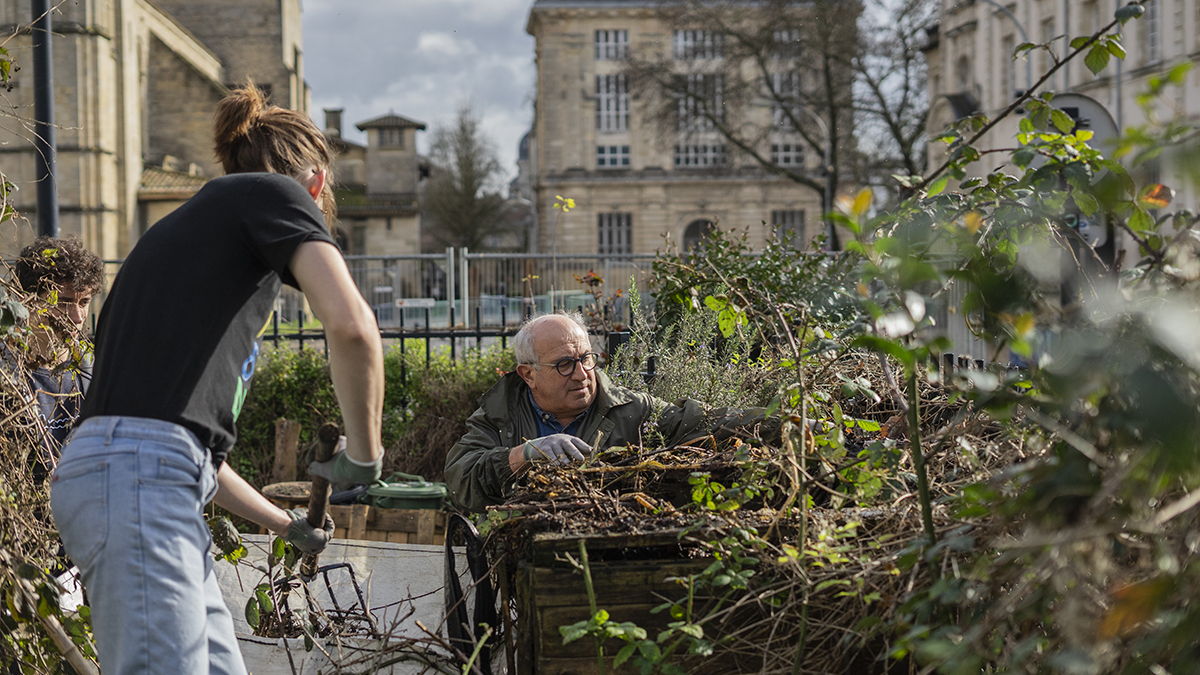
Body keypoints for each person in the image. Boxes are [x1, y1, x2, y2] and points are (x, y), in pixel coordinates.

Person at [49, 84, 385, 675]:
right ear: (315, 181)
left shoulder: (186, 241)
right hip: (136, 486)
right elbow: (354, 327)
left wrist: (289, 526)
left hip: (134, 478)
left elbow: (182, 449)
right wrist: (365, 455)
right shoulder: (276, 192)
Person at [444, 311, 771, 513]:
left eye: (586, 358)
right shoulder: (501, 418)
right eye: (563, 365)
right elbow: (461, 483)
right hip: (524, 558)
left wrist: (786, 425)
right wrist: (522, 454)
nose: (580, 373)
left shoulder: (632, 411)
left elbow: (712, 422)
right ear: (528, 374)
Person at [4, 236, 104, 478]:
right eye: (65, 302)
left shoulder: (98, 369)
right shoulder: (5, 374)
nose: (78, 317)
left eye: (85, 302)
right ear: (24, 299)